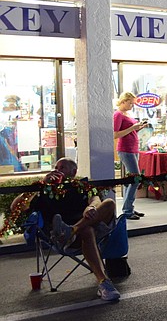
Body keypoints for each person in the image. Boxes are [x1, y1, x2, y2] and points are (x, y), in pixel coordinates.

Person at [12, 158, 121, 301]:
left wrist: (92, 207)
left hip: (83, 228)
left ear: (73, 172)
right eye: (56, 167)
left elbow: (95, 198)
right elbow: (16, 207)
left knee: (109, 204)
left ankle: (74, 229)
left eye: (62, 167)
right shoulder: (45, 190)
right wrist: (42, 184)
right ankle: (104, 283)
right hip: (61, 237)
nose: (57, 170)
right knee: (87, 230)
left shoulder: (80, 186)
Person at [113, 92, 147, 221]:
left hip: (133, 148)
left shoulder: (127, 114)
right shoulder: (118, 115)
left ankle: (129, 207)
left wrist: (137, 128)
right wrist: (133, 127)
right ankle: (127, 209)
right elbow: (116, 134)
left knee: (130, 180)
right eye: (130, 103)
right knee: (135, 178)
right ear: (123, 101)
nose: (132, 105)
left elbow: (129, 130)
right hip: (125, 149)